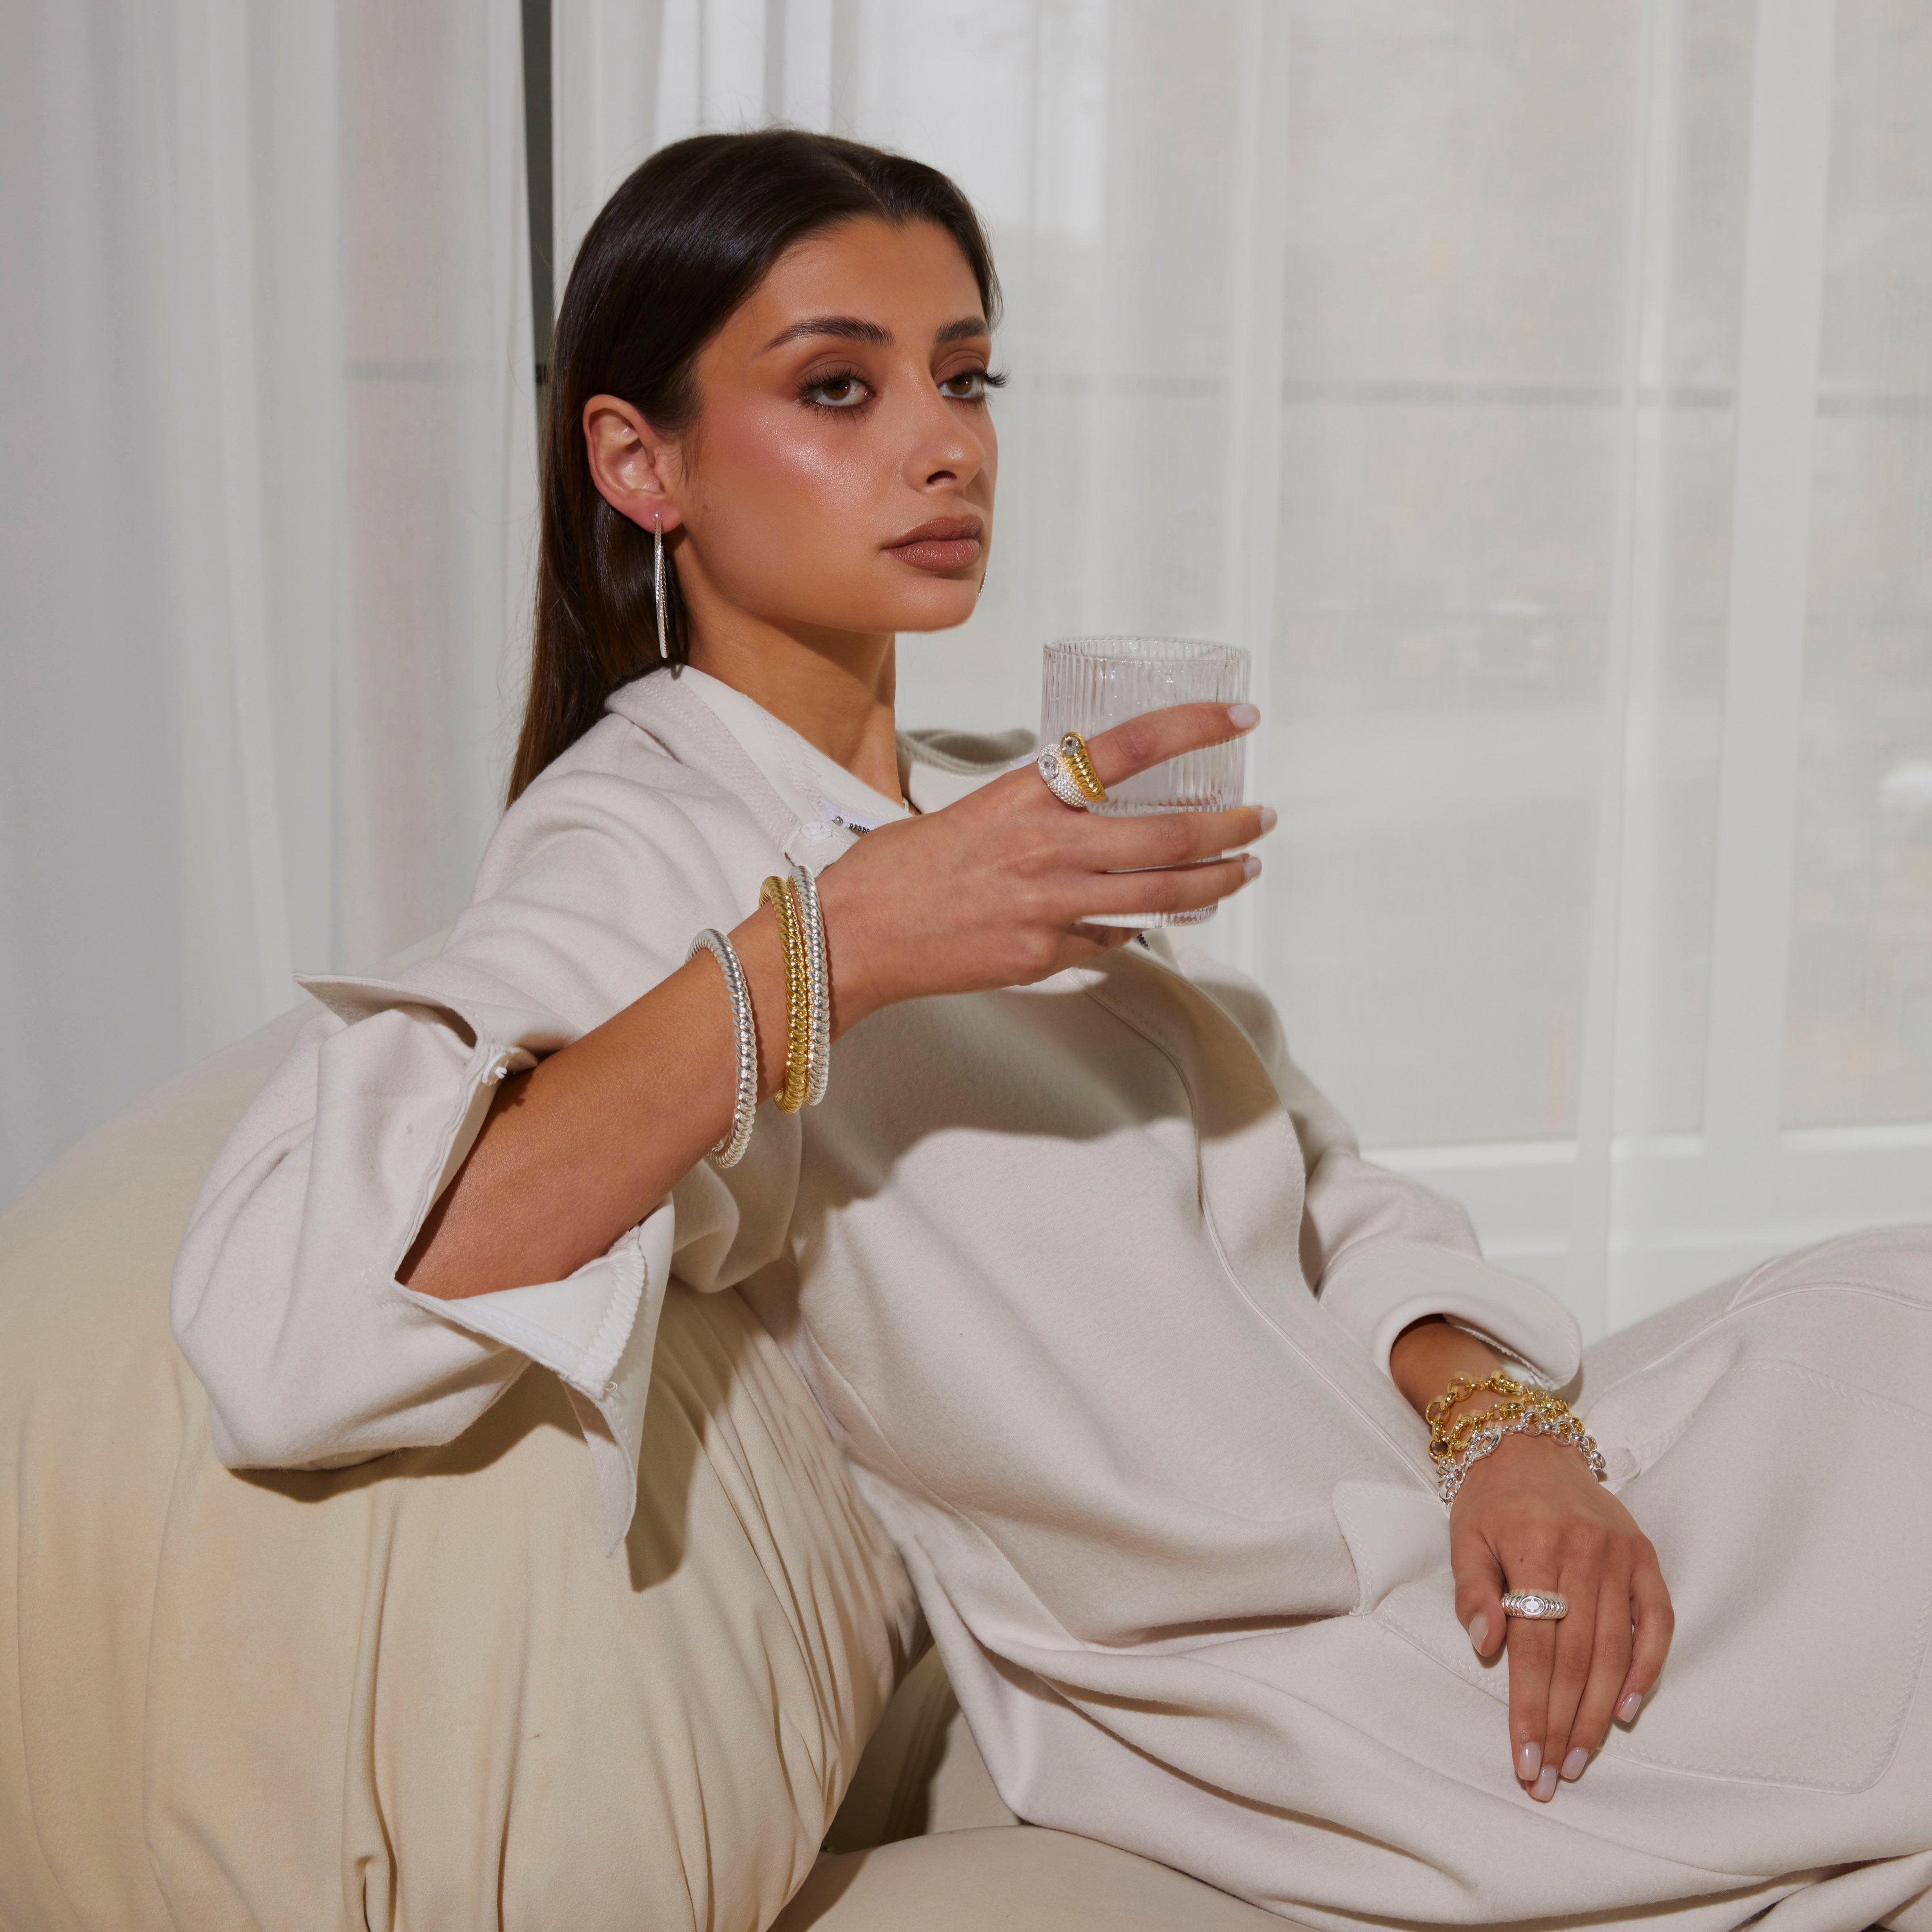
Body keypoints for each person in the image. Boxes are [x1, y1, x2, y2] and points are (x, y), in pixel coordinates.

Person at [172, 129, 1932, 1930]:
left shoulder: (984, 803)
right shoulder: (635, 838)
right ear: (640, 461)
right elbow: (295, 1331)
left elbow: (1326, 1189)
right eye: (839, 386)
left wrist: (1503, 1425)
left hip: (1457, 1504)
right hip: (1305, 1667)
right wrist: (844, 942)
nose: (945, 444)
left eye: (965, 377)